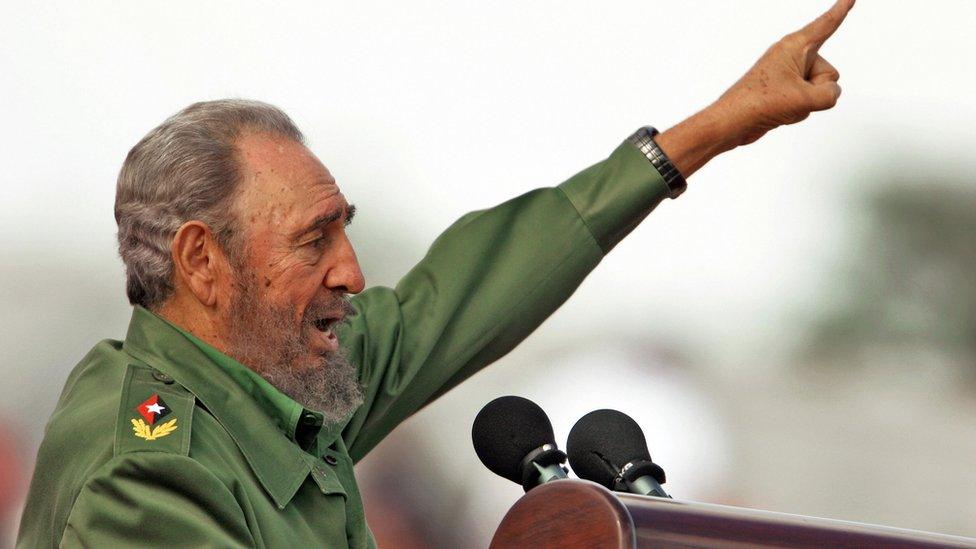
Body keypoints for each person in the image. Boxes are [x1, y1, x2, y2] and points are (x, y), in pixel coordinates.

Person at [16, 1, 855, 546]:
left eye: (345, 230)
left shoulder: (273, 373)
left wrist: (708, 131)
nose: (351, 270)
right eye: (314, 240)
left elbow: (463, 289)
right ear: (204, 261)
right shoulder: (150, 464)